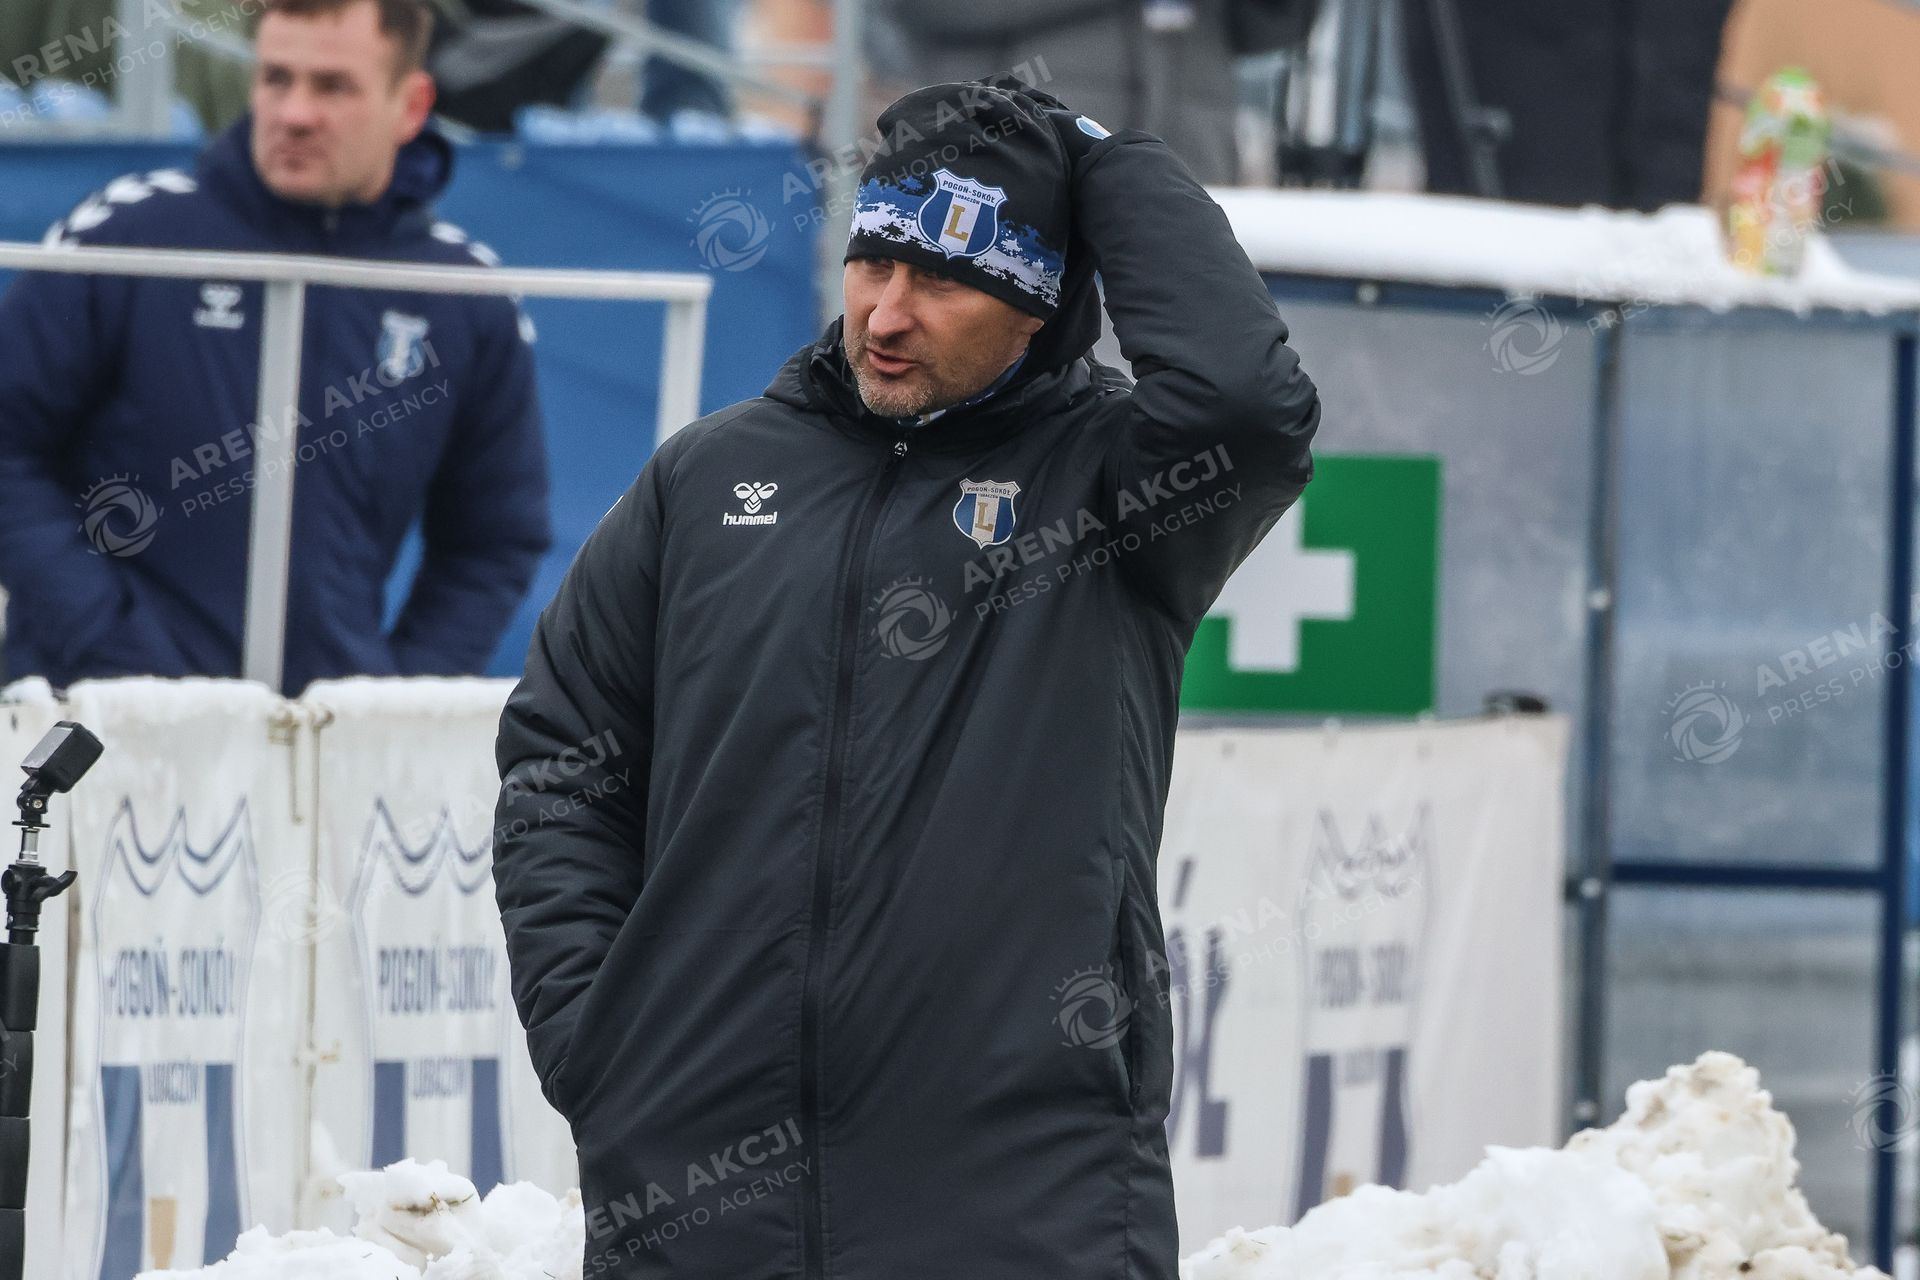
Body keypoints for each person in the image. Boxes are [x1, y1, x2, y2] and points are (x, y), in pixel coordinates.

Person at [493, 77, 1320, 1278]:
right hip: (698, 1198)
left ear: (1038, 305)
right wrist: (603, 1037)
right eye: (872, 264)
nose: (886, 313)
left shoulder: (1116, 490)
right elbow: (563, 762)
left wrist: (1107, 162)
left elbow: (1247, 403)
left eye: (940, 280)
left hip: (1021, 1198)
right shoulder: (708, 479)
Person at [0, 0, 550, 695]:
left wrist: (388, 700)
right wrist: (107, 643)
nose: (294, 113)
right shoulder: (130, 235)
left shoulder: (463, 296)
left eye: (333, 86)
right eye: (276, 78)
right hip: (100, 720)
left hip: (320, 749)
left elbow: (494, 539)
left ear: (410, 106)